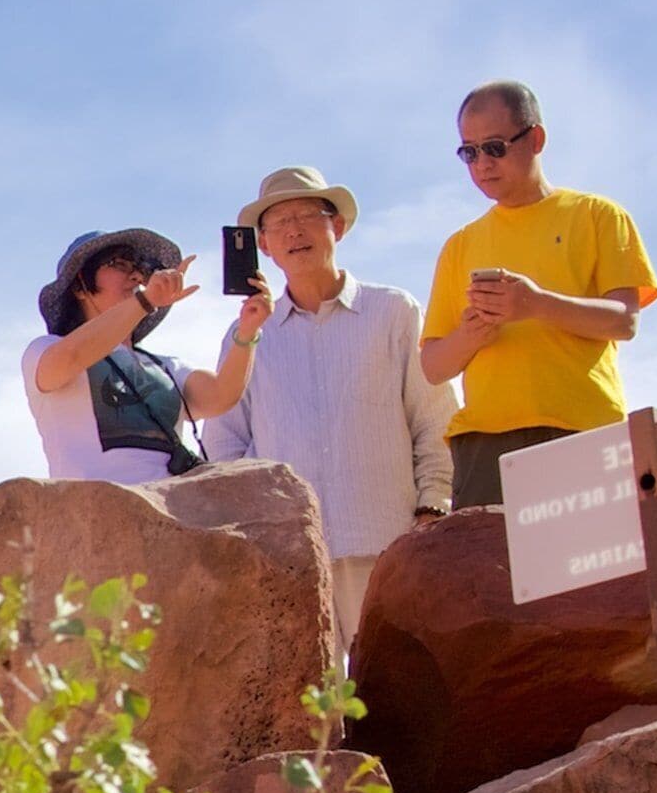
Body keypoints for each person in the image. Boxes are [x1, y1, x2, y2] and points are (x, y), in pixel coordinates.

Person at [208, 165, 451, 641]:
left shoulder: (394, 312)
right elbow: (225, 447)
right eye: (278, 223)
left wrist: (433, 509)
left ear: (336, 226)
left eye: (307, 215)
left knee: (395, 696)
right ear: (264, 245)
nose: (294, 230)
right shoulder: (247, 337)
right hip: (289, 558)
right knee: (310, 709)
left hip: (386, 542)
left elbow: (433, 417)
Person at [417, 81, 657, 508]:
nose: (481, 165)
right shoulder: (459, 245)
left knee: (593, 572)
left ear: (536, 139)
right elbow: (435, 367)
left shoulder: (598, 216)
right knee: (492, 575)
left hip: (583, 433)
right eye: (468, 152)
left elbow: (625, 320)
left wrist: (533, 304)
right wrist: (472, 335)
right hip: (484, 448)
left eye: (494, 147)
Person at [26, 228, 267, 485]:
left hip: (168, 512)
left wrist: (248, 331)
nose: (136, 276)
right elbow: (70, 358)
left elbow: (221, 396)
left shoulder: (165, 366)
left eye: (138, 267)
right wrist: (145, 301)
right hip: (94, 514)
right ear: (79, 286)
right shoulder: (44, 349)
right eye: (118, 263)